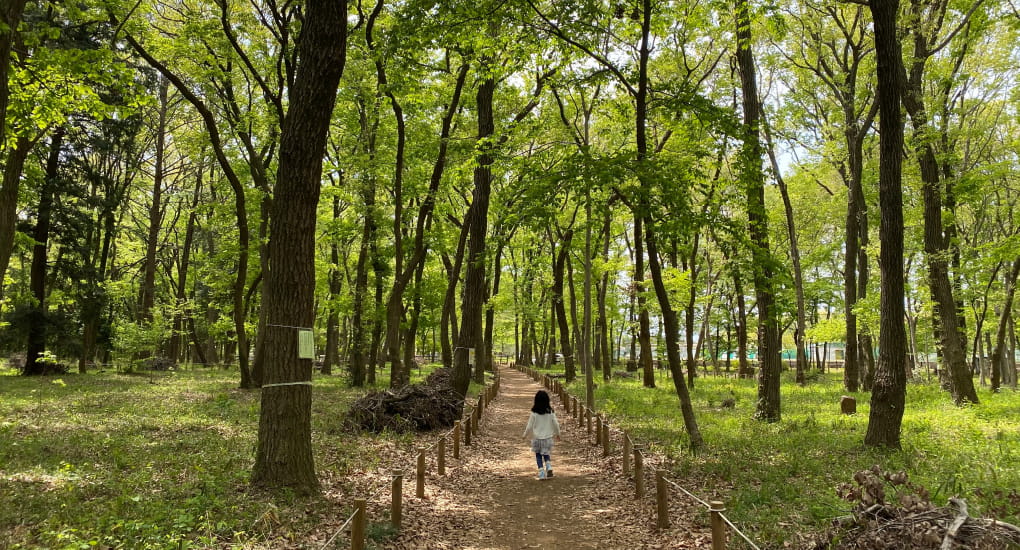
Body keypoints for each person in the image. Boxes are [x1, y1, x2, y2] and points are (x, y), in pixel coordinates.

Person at [523, 390, 561, 480]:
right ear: (547, 400)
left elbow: (529, 425)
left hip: (537, 438)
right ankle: (548, 466)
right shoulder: (550, 412)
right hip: (548, 438)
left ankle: (541, 473)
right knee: (546, 453)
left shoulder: (534, 412)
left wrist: (525, 435)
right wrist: (558, 433)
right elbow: (556, 423)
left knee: (538, 455)